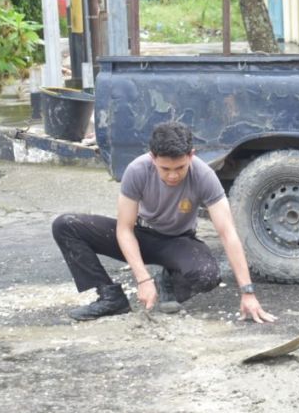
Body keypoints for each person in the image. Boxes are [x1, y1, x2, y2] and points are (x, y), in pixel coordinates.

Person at [52, 121, 277, 324]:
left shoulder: (204, 176)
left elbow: (228, 233)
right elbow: (124, 230)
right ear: (153, 158)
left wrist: (248, 292)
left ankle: (167, 282)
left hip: (177, 241)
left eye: (179, 168)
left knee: (208, 275)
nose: (172, 176)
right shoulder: (137, 170)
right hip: (140, 234)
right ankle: (111, 297)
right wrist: (142, 279)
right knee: (65, 225)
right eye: (165, 169)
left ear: (191, 155)